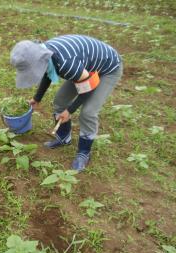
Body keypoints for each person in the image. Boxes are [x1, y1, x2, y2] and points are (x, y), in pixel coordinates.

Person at [10, 35, 123, 171]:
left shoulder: (65, 64)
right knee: (60, 101)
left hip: (107, 69)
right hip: (84, 67)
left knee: (88, 112)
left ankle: (84, 153)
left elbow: (87, 88)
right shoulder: (45, 54)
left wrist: (69, 111)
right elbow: (47, 72)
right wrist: (37, 99)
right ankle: (64, 138)